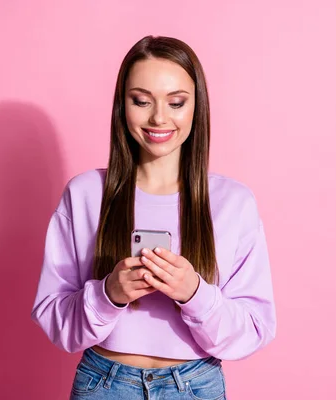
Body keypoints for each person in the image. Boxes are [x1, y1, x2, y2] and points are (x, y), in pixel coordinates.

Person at [31, 35, 277, 399]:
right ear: (122, 106)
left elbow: (255, 329)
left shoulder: (233, 202)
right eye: (141, 101)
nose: (159, 117)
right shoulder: (85, 194)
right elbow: (54, 318)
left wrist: (194, 293)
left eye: (176, 102)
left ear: (197, 107)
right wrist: (107, 294)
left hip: (195, 386)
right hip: (103, 384)